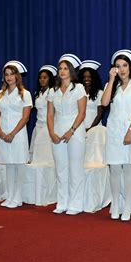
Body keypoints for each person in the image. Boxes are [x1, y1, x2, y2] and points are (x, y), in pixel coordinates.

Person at [101, 50, 131, 221]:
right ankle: (115, 204)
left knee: (128, 169)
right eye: (118, 66)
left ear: (130, 67)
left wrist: (130, 131)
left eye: (124, 66)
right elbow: (104, 103)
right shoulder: (111, 86)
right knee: (114, 169)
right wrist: (111, 80)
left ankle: (127, 205)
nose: (121, 70)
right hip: (113, 131)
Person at [47, 54, 87, 215]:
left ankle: (76, 204)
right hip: (57, 130)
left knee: (75, 167)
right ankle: (62, 202)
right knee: (60, 168)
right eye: (60, 69)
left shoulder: (78, 88)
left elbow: (82, 113)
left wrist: (71, 131)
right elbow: (50, 115)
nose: (62, 71)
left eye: (65, 68)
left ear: (71, 71)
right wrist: (51, 132)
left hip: (75, 131)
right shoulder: (52, 90)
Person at [0, 61, 32, 208]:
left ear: (17, 76)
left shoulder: (25, 94)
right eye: (6, 74)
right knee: (8, 164)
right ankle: (10, 196)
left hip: (18, 133)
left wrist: (12, 133)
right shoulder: (0, 94)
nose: (9, 77)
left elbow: (25, 117)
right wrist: (0, 132)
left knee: (18, 164)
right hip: (3, 133)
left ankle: (18, 197)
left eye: (12, 74)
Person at [30, 65, 56, 162]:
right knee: (37, 154)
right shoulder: (37, 93)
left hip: (48, 126)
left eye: (45, 77)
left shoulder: (53, 92)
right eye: (40, 78)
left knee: (47, 154)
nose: (42, 80)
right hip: (38, 126)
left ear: (50, 79)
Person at [78, 60, 104, 131]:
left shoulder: (100, 93)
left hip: (95, 128)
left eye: (89, 77)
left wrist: (90, 129)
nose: (86, 79)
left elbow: (99, 115)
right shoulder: (78, 91)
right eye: (84, 77)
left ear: (94, 78)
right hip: (80, 128)